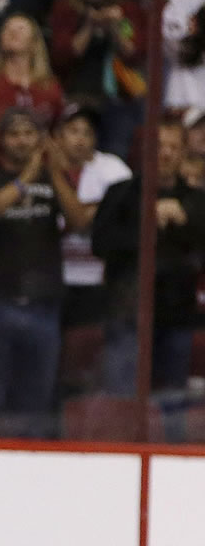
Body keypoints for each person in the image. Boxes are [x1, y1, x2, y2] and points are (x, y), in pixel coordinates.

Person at [0, 106, 88, 436]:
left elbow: (79, 221)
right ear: (2, 141)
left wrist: (55, 174)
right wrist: (28, 177)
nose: (22, 141)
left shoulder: (52, 180)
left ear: (41, 139)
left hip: (43, 305)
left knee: (37, 402)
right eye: (14, 134)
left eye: (29, 133)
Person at [93, 121, 205, 395]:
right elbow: (101, 244)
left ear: (182, 153)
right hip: (129, 311)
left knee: (172, 403)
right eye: (159, 147)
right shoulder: (121, 193)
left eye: (173, 147)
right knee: (123, 397)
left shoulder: (196, 199)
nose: (165, 154)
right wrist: (148, 221)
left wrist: (184, 218)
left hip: (176, 312)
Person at [54, 101, 131, 343]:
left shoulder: (112, 168)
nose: (81, 139)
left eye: (88, 132)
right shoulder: (40, 167)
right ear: (58, 135)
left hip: (97, 280)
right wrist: (96, 208)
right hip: (53, 280)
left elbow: (114, 214)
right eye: (74, 131)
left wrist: (87, 213)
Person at [49, 0, 147, 158]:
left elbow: (134, 54)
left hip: (118, 100)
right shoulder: (66, 8)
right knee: (74, 155)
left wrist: (115, 26)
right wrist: (89, 24)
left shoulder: (127, 9)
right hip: (78, 96)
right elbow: (62, 56)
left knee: (117, 153)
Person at [0, 13, 64, 134]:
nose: (13, 32)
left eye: (21, 29)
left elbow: (58, 130)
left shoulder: (50, 88)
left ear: (34, 42)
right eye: (8, 28)